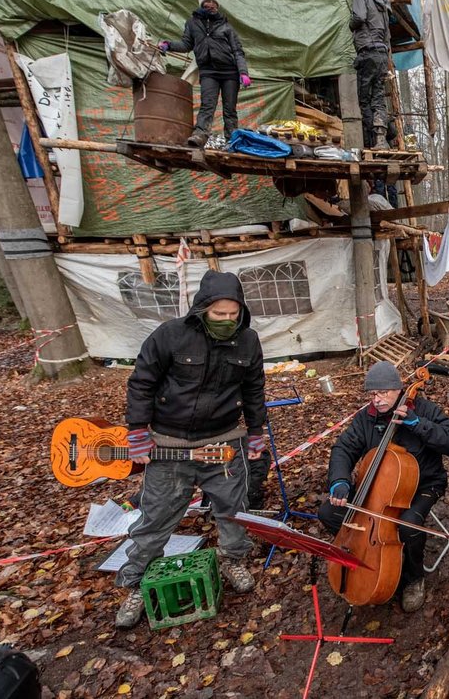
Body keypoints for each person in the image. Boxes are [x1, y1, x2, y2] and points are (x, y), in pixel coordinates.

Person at [114, 270, 269, 629]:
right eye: (220, 315)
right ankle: (137, 580)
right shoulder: (170, 335)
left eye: (234, 315)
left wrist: (257, 431)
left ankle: (232, 558)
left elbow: (254, 389)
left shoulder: (248, 341)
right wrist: (137, 431)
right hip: (170, 440)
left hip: (224, 438)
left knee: (233, 507)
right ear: (202, 309)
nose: (228, 321)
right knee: (157, 514)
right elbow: (142, 382)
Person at [319, 361, 449, 612]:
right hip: (376, 489)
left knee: (408, 524)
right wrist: (339, 481)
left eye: (383, 392)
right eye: (373, 394)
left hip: (423, 483)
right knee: (328, 512)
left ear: (398, 389)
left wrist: (417, 424)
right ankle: (365, 552)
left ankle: (413, 578)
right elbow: (343, 448)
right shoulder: (367, 417)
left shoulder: (424, 409)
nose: (377, 399)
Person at [160, 0, 251, 148]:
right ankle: (200, 135)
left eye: (214, 2)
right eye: (207, 2)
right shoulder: (192, 23)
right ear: (202, 4)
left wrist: (243, 72)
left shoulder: (226, 26)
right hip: (209, 72)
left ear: (217, 5)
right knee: (207, 105)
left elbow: (238, 51)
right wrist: (169, 45)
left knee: (230, 109)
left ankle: (232, 140)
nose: (211, 4)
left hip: (230, 72)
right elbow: (186, 44)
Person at [350, 0, 391, 150]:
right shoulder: (383, 5)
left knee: (364, 99)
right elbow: (388, 37)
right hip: (382, 54)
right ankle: (382, 139)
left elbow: (358, 17)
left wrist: (351, 24)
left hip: (367, 52)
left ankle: (371, 140)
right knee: (379, 98)